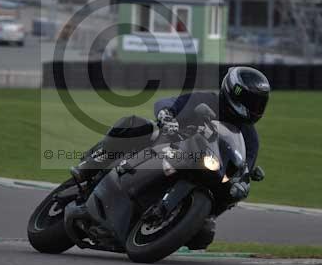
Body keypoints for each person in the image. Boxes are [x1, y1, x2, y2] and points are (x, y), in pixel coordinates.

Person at [71, 66, 270, 184]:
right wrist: (167, 116)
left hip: (201, 172)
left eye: (258, 104)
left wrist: (243, 179)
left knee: (206, 229)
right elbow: (168, 104)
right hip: (168, 146)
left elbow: (244, 167)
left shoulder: (249, 139)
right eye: (251, 102)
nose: (253, 109)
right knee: (136, 124)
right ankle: (90, 164)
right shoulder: (206, 99)